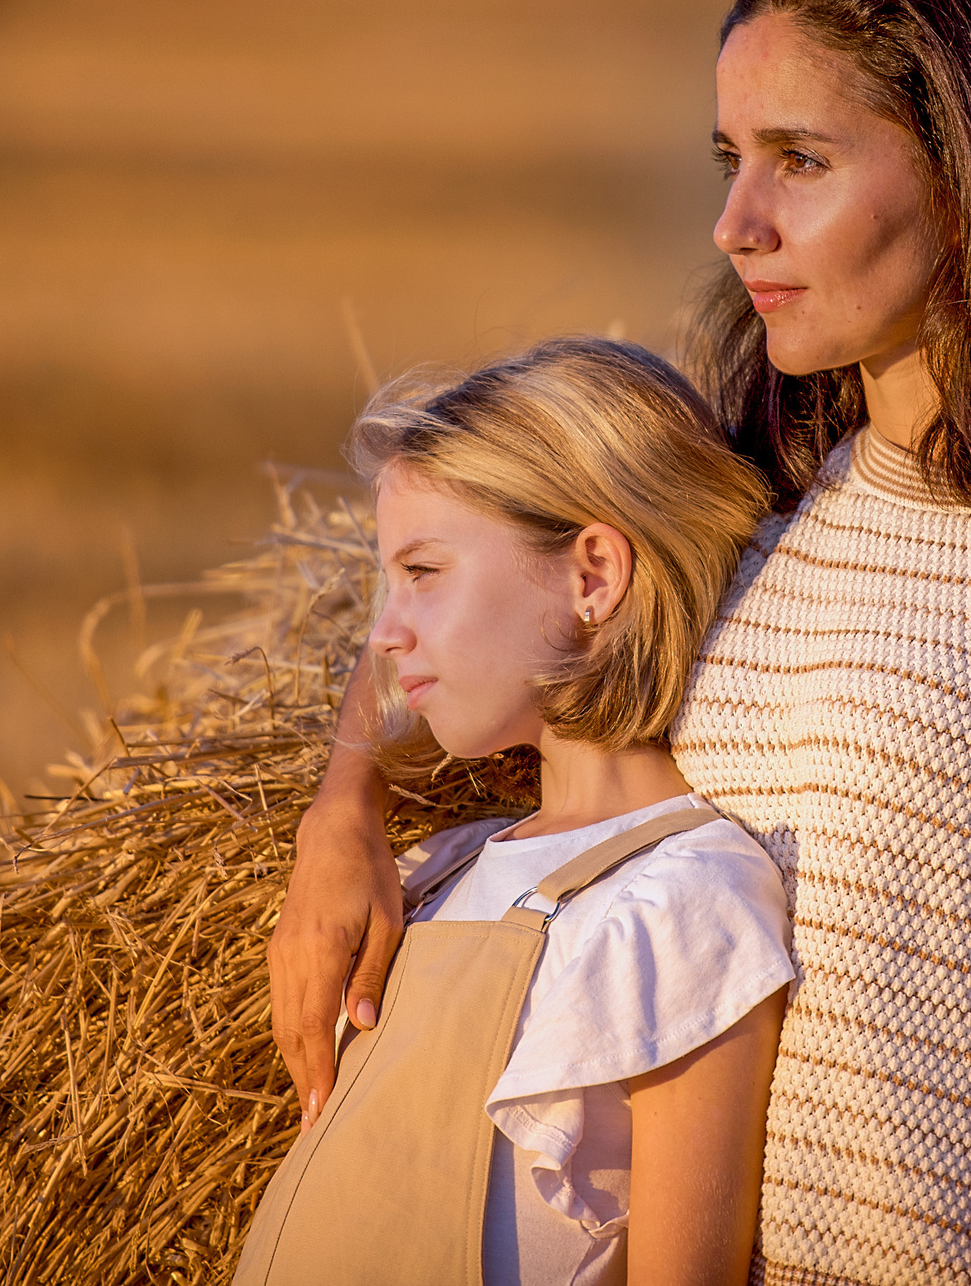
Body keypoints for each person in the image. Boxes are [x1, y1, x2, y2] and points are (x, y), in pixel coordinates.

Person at [269, 0, 971, 1286]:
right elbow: (489, 608)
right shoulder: (771, 504)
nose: (733, 222)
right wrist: (341, 807)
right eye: (729, 161)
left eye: (801, 162)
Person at [239, 337, 799, 1286]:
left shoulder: (684, 902)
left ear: (591, 576)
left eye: (423, 571)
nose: (382, 629)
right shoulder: (442, 865)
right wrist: (340, 807)